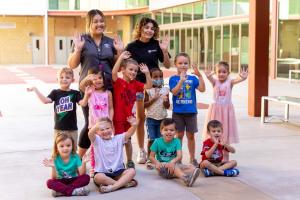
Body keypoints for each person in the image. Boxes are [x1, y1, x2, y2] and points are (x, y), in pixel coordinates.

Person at [68, 9, 124, 158]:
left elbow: (118, 66)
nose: (100, 24)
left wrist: (119, 52)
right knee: (90, 124)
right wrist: (78, 49)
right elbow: (72, 65)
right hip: (88, 90)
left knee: (107, 124)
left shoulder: (110, 42)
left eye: (101, 21)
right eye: (96, 21)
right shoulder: (83, 40)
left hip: (107, 89)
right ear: (89, 23)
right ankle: (78, 158)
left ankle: (103, 158)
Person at [126, 17, 171, 164]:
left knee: (156, 118)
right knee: (140, 119)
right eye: (146, 27)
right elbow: (125, 67)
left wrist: (164, 51)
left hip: (155, 87)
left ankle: (156, 151)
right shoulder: (132, 46)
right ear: (140, 28)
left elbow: (167, 65)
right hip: (139, 87)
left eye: (152, 28)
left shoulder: (156, 45)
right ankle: (141, 150)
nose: (149, 31)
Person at [27, 67, 89, 148]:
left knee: (72, 151)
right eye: (61, 77)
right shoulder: (55, 93)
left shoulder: (75, 93)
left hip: (72, 129)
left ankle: (73, 161)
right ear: (57, 79)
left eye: (67, 77)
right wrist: (35, 90)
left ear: (72, 80)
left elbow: (83, 103)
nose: (64, 79)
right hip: (59, 129)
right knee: (58, 151)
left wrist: (87, 94)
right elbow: (45, 101)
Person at [112, 51, 152, 168]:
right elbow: (114, 73)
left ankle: (129, 160)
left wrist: (147, 74)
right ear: (123, 70)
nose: (133, 72)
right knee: (119, 142)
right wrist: (120, 58)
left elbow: (148, 86)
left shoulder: (136, 84)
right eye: (131, 69)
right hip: (118, 118)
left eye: (135, 71)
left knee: (128, 141)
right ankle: (118, 162)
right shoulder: (119, 82)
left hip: (130, 119)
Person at [202, 61, 248, 161]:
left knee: (225, 133)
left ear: (228, 73)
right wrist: (208, 76)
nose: (221, 74)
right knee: (213, 131)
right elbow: (210, 78)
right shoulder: (215, 81)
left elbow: (238, 79)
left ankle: (225, 158)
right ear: (216, 72)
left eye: (224, 72)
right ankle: (213, 156)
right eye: (219, 72)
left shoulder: (230, 82)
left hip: (226, 112)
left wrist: (243, 77)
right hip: (215, 110)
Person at [169, 52, 205, 167]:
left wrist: (200, 76)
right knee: (179, 136)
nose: (183, 65)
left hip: (191, 112)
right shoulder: (173, 79)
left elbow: (202, 89)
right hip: (178, 113)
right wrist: (181, 81)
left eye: (185, 63)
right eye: (180, 63)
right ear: (175, 64)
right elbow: (174, 92)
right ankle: (178, 158)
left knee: (191, 136)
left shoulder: (193, 78)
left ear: (188, 64)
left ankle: (192, 158)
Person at [88, 117, 139, 193]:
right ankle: (123, 184)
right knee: (98, 177)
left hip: (118, 171)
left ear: (112, 128)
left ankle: (112, 187)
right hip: (103, 173)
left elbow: (129, 133)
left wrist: (134, 125)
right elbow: (90, 134)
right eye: (102, 130)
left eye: (108, 128)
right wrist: (96, 126)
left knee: (132, 171)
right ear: (97, 132)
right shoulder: (97, 141)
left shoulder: (118, 139)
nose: (105, 131)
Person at [80, 67, 114, 176]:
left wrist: (111, 121)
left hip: (106, 125)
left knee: (106, 147)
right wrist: (88, 78)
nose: (98, 80)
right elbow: (81, 87)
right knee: (94, 148)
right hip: (94, 125)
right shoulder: (90, 91)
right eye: (94, 79)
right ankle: (94, 167)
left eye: (100, 78)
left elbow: (111, 108)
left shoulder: (108, 93)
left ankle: (106, 165)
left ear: (104, 79)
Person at [149, 118, 200, 187]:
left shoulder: (177, 141)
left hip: (174, 164)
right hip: (163, 166)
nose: (169, 132)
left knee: (193, 168)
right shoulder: (157, 142)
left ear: (176, 132)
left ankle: (176, 174)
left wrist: (172, 161)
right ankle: (185, 178)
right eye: (166, 130)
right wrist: (157, 163)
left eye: (172, 130)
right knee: (174, 167)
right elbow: (151, 156)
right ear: (161, 131)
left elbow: (179, 155)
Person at [144, 68, 170, 169]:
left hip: (162, 119)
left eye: (160, 77)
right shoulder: (148, 90)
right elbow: (144, 105)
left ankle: (160, 159)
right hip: (150, 118)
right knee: (152, 139)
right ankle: (150, 159)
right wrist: (154, 99)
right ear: (150, 78)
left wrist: (165, 101)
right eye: (155, 77)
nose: (158, 79)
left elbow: (167, 106)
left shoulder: (165, 90)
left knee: (160, 140)